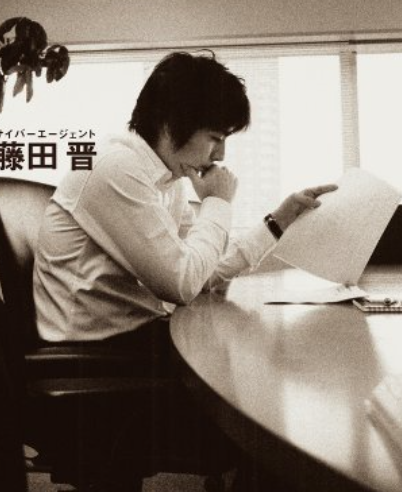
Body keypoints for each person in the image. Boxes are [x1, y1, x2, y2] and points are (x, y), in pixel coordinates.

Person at [33, 50, 336, 488]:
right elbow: (182, 283)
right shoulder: (116, 168)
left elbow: (201, 272)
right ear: (172, 122)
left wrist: (278, 221)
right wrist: (217, 202)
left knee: (264, 368)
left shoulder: (164, 180)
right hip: (104, 354)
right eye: (215, 136)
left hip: (132, 341)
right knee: (267, 405)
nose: (220, 154)